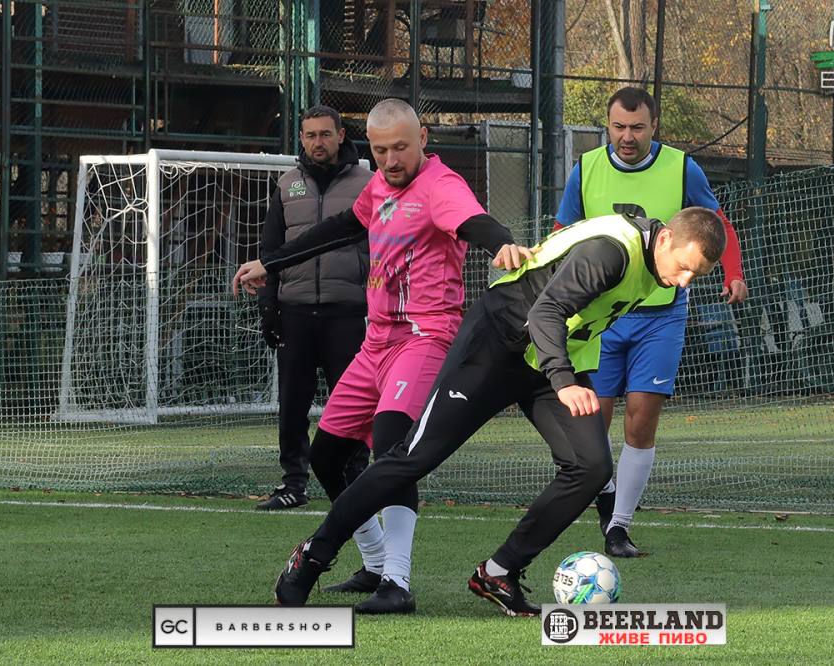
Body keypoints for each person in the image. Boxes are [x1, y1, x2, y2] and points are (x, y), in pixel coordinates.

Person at [272, 206, 727, 617]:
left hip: (544, 358)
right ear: (664, 238)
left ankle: (498, 572)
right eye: (685, 267)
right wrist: (565, 381)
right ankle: (313, 555)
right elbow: (546, 311)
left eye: (698, 275)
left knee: (590, 466)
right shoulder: (611, 252)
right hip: (495, 345)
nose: (685, 281)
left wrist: (562, 374)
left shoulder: (654, 259)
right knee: (412, 458)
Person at [234, 98, 528, 614]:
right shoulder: (378, 186)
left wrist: (501, 243)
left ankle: (397, 582)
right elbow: (341, 227)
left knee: (393, 450)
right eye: (380, 150)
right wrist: (271, 263)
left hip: (424, 337)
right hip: (376, 342)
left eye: (400, 148)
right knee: (326, 456)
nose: (391, 160)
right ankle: (373, 563)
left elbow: (474, 221)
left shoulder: (440, 185)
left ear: (423, 139)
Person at [555, 87, 749, 557]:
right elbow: (563, 232)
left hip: (661, 315)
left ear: (654, 126)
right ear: (608, 125)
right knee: (591, 424)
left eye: (637, 127)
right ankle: (605, 498)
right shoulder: (586, 168)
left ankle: (619, 528)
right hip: (601, 316)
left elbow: (718, 223)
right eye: (619, 127)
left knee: (641, 418)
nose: (627, 136)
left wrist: (734, 272)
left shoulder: (682, 168)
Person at [254, 105, 372, 512]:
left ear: (341, 135)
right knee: (292, 405)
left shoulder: (369, 183)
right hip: (296, 312)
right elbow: (271, 250)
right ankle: (293, 484)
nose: (317, 142)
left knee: (354, 403)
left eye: (325, 134)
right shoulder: (287, 184)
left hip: (348, 312)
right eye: (310, 135)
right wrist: (269, 303)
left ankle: (356, 479)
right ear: (301, 139)